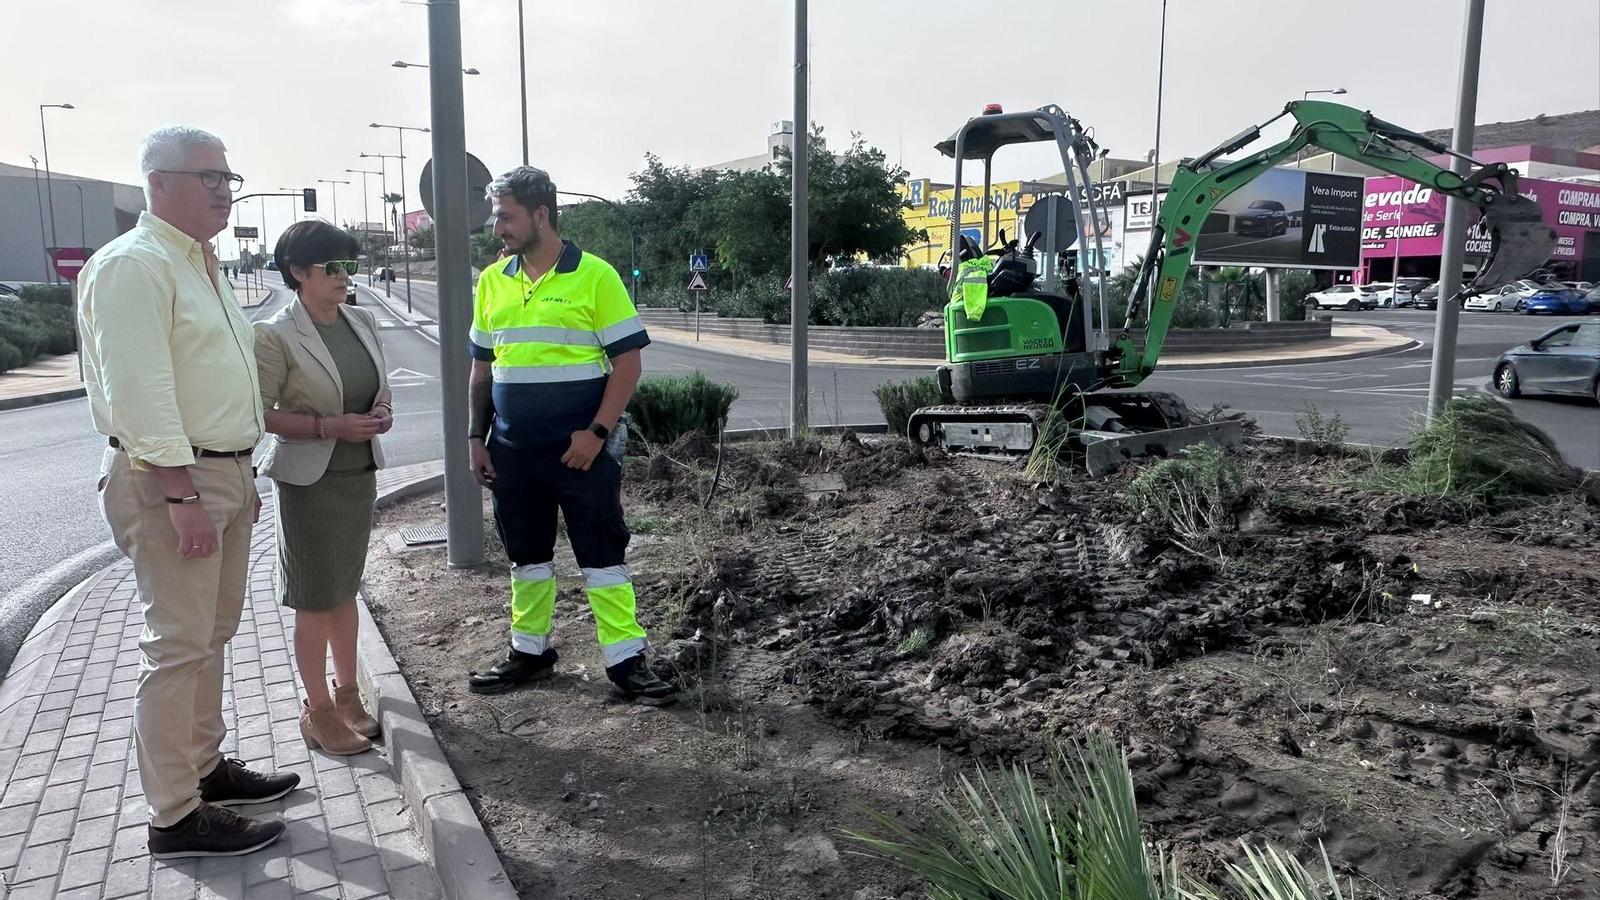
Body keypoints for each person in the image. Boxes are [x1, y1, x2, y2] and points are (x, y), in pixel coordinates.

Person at [79, 126, 297, 859]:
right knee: (177, 647)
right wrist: (181, 494)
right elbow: (139, 392)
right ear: (158, 183)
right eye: (208, 177)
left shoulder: (201, 263)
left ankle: (205, 770)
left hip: (222, 473)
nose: (223, 191)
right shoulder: (134, 266)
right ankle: (174, 817)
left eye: (228, 178)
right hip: (173, 480)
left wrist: (241, 474)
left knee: (213, 633)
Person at [466, 166, 675, 704]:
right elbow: (483, 370)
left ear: (541, 215)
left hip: (581, 453)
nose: (498, 229)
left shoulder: (596, 276)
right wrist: (475, 438)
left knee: (603, 558)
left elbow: (627, 364)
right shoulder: (492, 280)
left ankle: (627, 662)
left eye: (506, 217)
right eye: (496, 218)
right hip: (512, 453)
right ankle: (529, 652)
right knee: (527, 559)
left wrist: (597, 433)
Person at [254, 220, 392, 755]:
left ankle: (348, 695)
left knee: (344, 591)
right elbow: (257, 412)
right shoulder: (275, 334)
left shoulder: (361, 319)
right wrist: (327, 426)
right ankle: (317, 711)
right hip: (309, 483)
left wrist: (382, 411)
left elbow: (379, 387)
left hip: (358, 474)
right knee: (314, 598)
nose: (344, 275)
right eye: (332, 266)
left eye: (349, 265)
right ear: (297, 272)